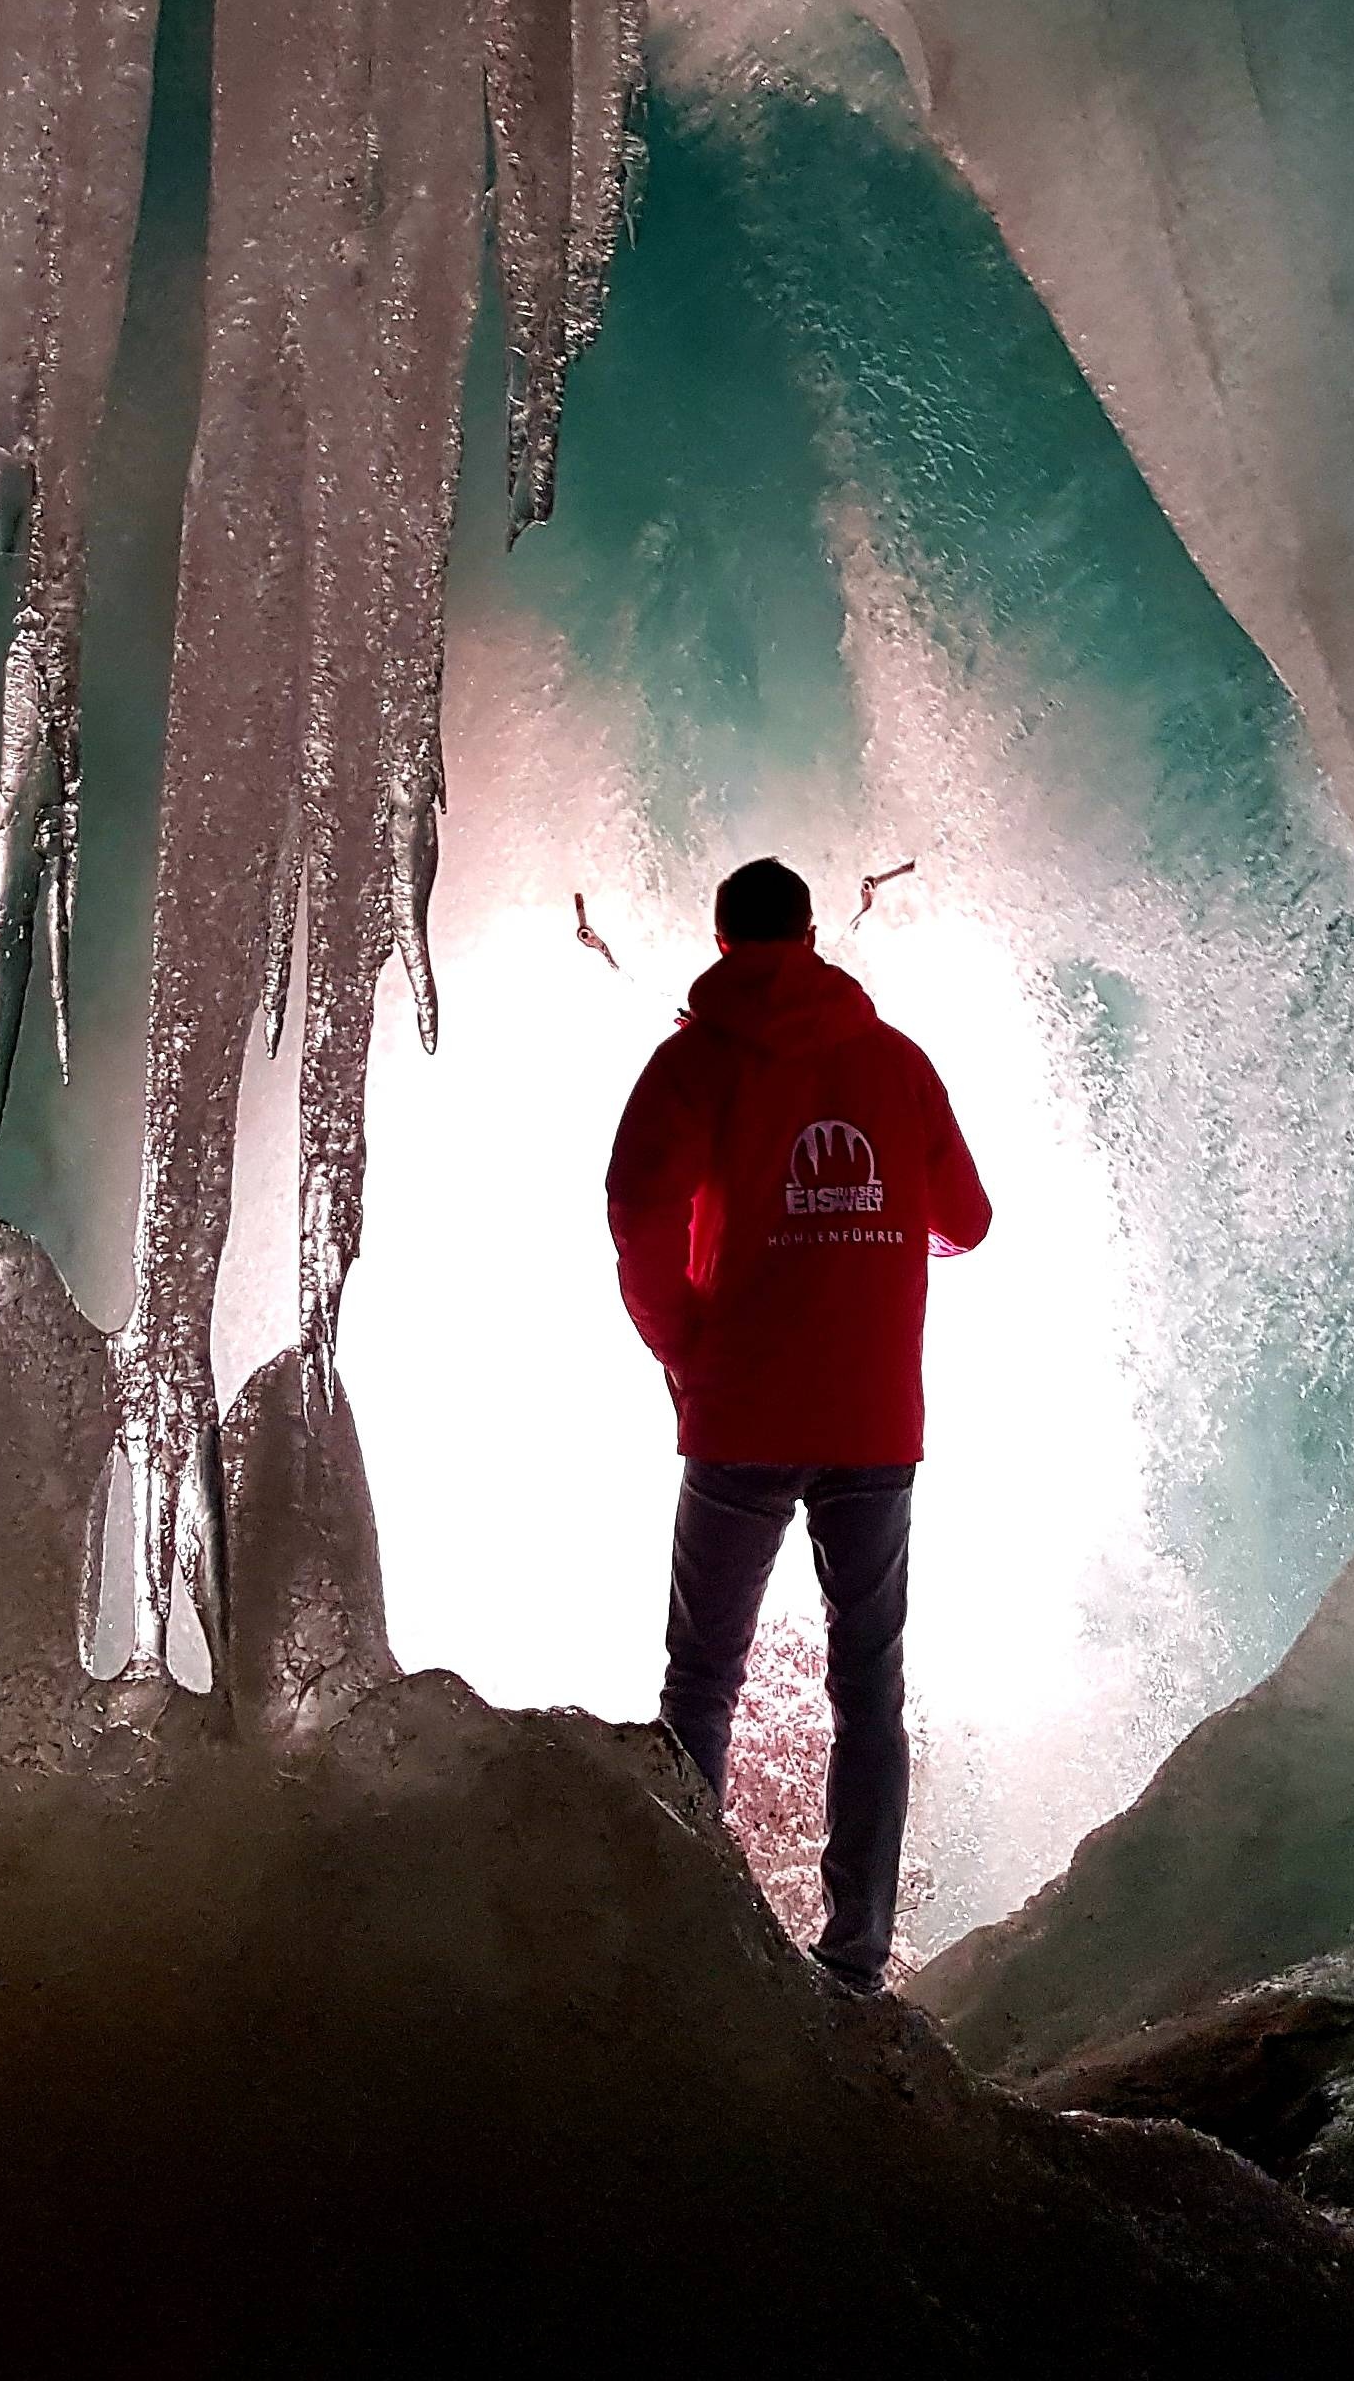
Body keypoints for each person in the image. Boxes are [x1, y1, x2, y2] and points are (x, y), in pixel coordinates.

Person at [605, 853, 992, 1993]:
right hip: (874, 1417)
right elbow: (965, 1221)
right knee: (868, 1685)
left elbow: (635, 1210)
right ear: (815, 935)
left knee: (700, 1680)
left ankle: (685, 1942)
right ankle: (857, 1961)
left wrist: (687, 1345)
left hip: (740, 1417)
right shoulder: (896, 1063)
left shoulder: (689, 1064)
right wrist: (876, 1238)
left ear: (723, 945)